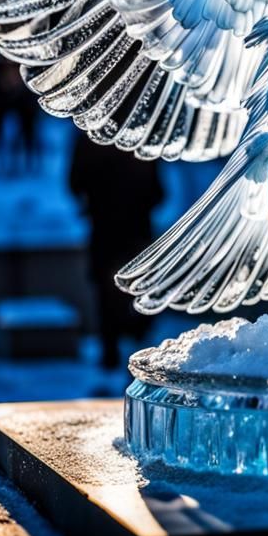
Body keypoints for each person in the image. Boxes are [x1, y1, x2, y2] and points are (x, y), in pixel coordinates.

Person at [68, 133, 165, 368]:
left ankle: (112, 352)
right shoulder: (140, 133)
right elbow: (158, 191)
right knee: (140, 291)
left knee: (107, 293)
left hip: (105, 229)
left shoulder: (89, 135)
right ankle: (131, 345)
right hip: (136, 229)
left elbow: (74, 182)